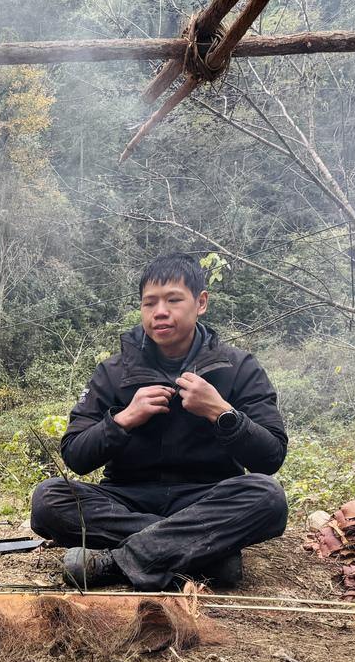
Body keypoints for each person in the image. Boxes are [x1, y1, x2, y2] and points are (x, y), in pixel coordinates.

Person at [30, 253, 289, 590]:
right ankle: (200, 552)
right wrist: (123, 420)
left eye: (173, 300)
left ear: (201, 303)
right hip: (127, 498)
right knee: (48, 500)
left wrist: (222, 413)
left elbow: (270, 457)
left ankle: (116, 562)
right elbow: (76, 455)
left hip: (206, 498)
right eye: (149, 302)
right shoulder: (113, 372)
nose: (160, 311)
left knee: (268, 497)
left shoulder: (238, 367)